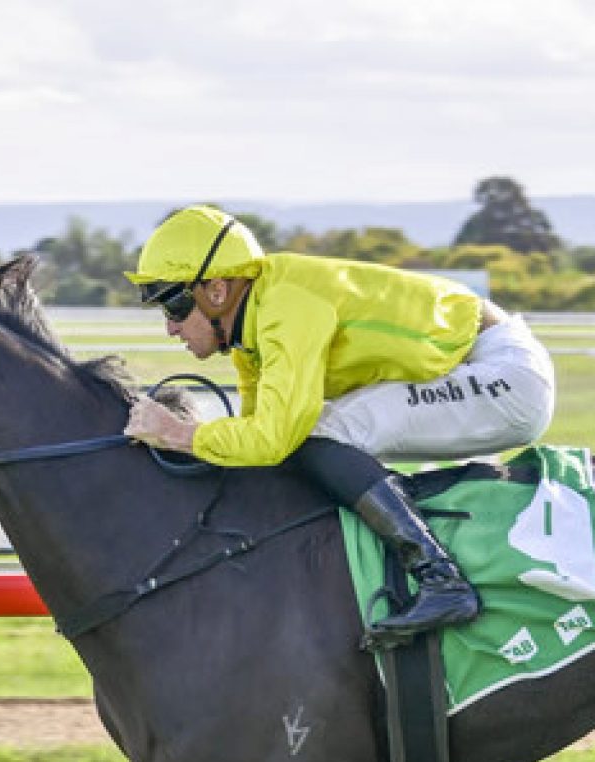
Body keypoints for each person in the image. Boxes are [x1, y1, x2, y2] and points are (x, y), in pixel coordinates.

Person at [121, 205, 557, 649]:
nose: (170, 328)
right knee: (308, 441)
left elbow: (274, 438)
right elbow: (257, 446)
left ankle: (440, 578)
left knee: (320, 433)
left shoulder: (286, 306)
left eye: (174, 305)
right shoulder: (249, 336)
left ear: (216, 289)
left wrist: (182, 434)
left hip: (505, 377)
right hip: (472, 368)